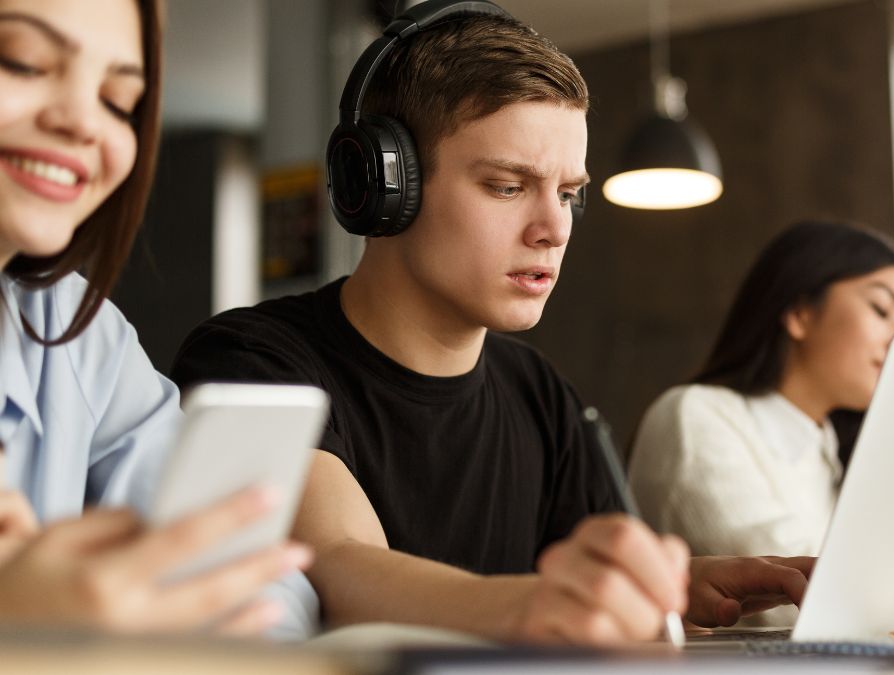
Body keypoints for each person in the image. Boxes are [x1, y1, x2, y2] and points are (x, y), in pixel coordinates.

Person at [171, 1, 814, 645]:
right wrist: (537, 606)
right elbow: (338, 564)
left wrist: (671, 588)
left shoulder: (539, 394)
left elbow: (580, 587)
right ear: (389, 185)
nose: (555, 228)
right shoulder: (250, 362)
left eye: (567, 194)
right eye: (508, 186)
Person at [0, 0, 310, 634]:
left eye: (119, 100)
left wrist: (174, 607)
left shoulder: (79, 333)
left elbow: (269, 586)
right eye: (22, 61)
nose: (85, 122)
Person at [627, 221, 894, 622]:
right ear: (799, 313)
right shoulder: (695, 416)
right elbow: (798, 604)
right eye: (882, 309)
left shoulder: (830, 448)